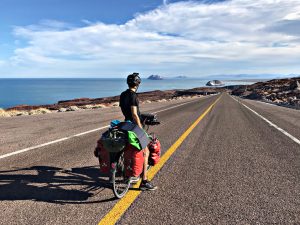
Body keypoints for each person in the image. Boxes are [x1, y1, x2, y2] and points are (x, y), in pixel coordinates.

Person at [119, 72, 158, 191]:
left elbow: (124, 110)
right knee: (145, 151)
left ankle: (126, 174)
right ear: (137, 83)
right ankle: (144, 181)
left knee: (127, 148)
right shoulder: (133, 96)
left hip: (125, 124)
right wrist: (140, 129)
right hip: (133, 126)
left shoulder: (122, 94)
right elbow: (135, 114)